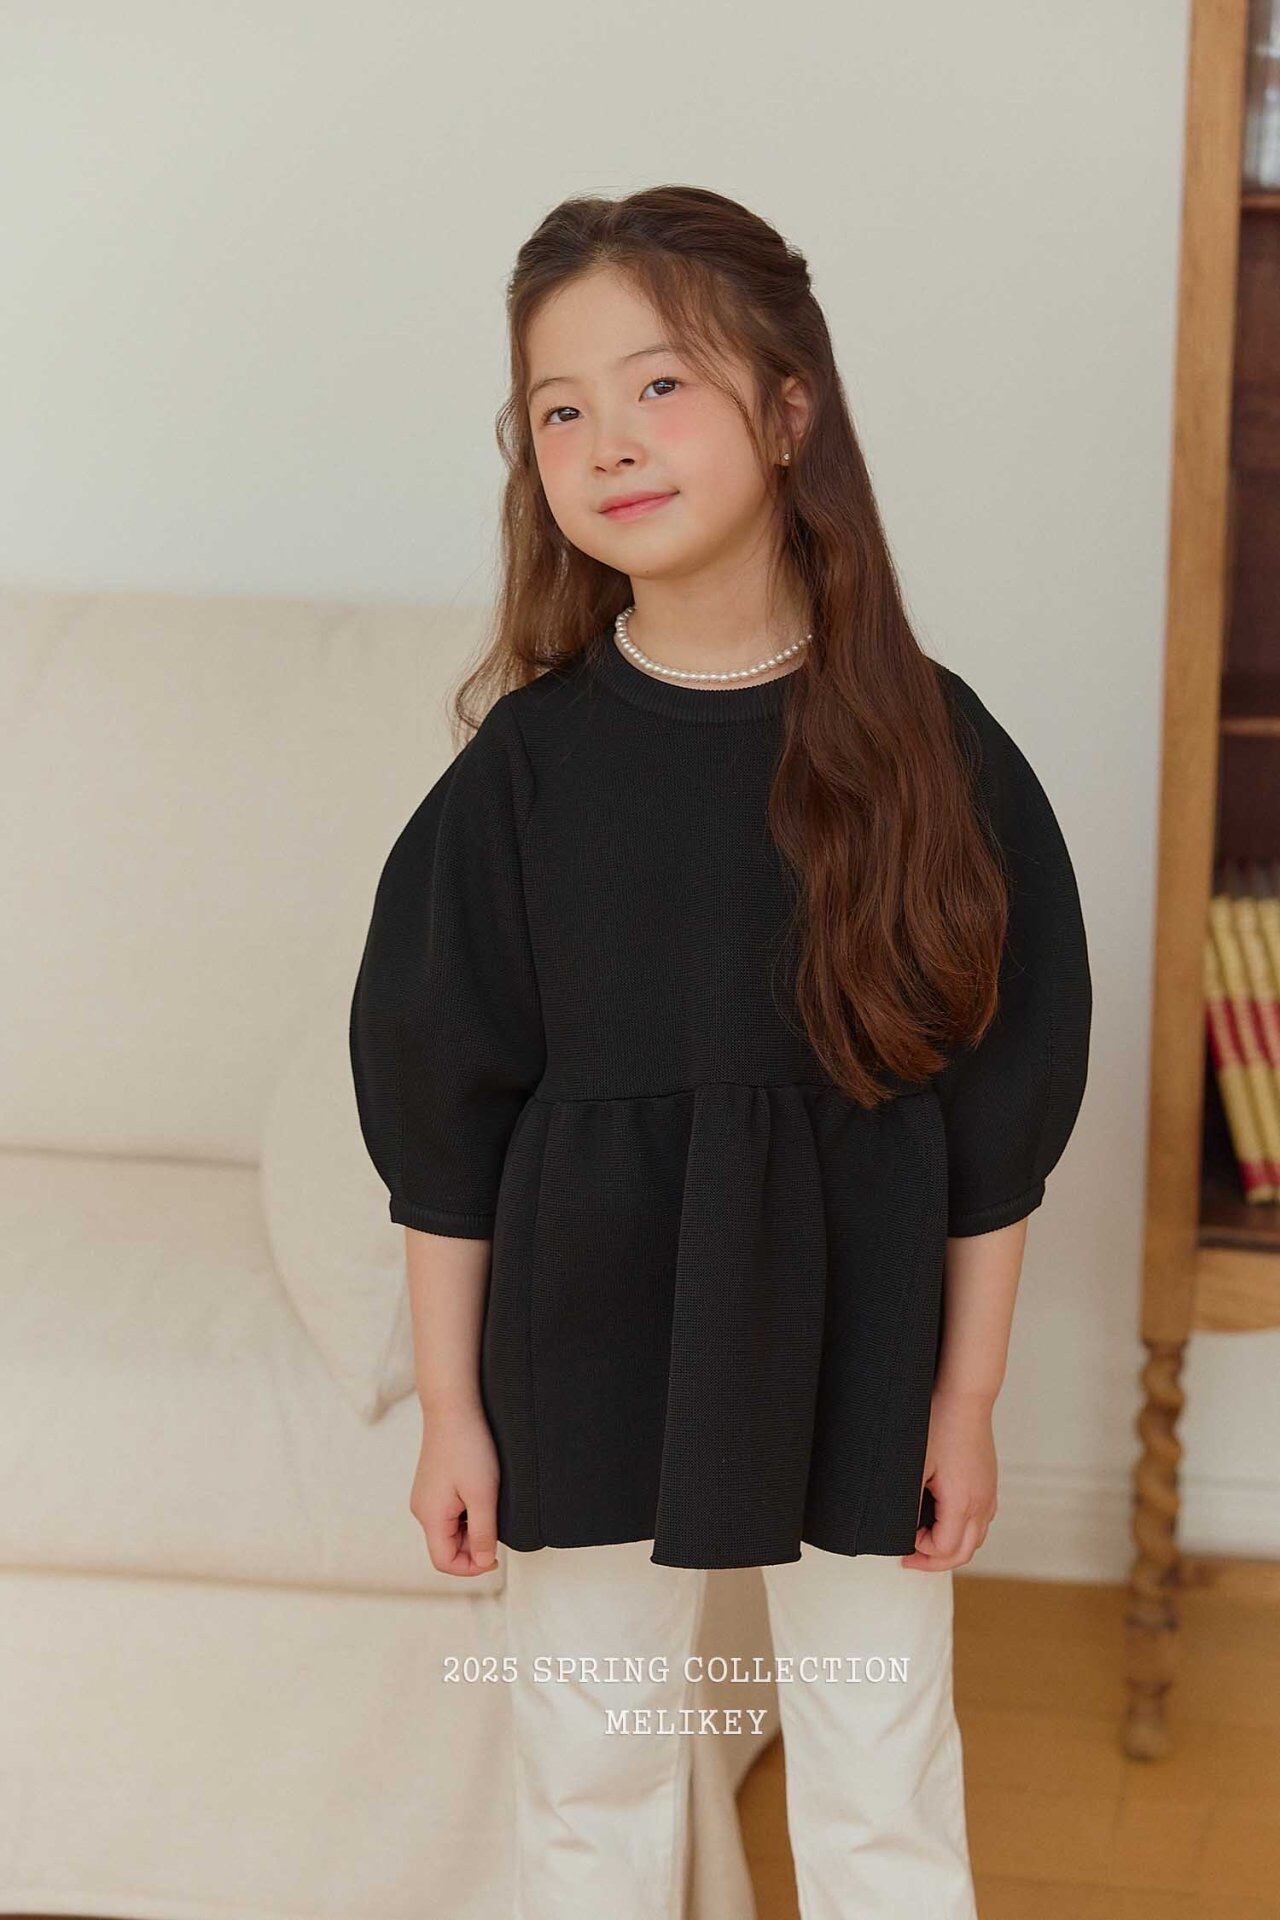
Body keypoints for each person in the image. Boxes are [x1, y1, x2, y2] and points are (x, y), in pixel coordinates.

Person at [349, 184, 1092, 1920]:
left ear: (788, 409)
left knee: (880, 1769)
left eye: (660, 384)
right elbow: (444, 1122)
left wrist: (965, 1403)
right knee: (594, 1777)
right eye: (558, 410)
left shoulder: (937, 750)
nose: (607, 439)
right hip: (582, 1342)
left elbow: (998, 1118)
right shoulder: (520, 778)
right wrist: (453, 1413)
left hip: (866, 1339)